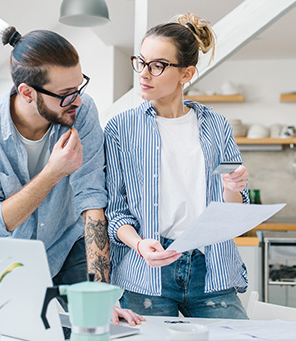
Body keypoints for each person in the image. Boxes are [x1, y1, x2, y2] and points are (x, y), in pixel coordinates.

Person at [0, 26, 143, 325]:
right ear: (27, 93)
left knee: (97, 324)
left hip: (70, 244)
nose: (78, 101)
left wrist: (101, 294)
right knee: (19, 330)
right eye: (65, 94)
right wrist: (53, 173)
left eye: (79, 87)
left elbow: (92, 201)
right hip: (12, 255)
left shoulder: (81, 113)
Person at [104, 13, 250, 319]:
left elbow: (234, 210)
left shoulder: (217, 126)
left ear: (186, 74)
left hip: (211, 267)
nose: (144, 73)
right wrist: (140, 244)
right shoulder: (120, 129)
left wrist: (232, 188)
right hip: (148, 271)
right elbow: (116, 212)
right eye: (141, 62)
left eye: (157, 66)